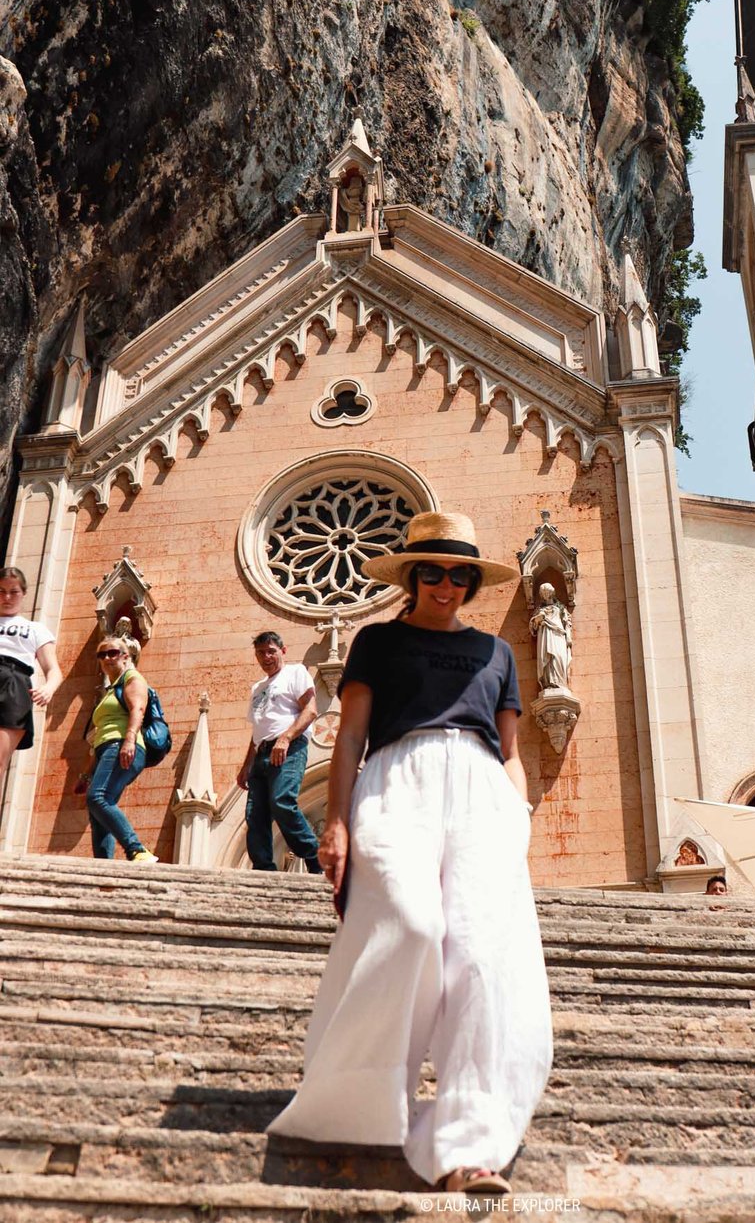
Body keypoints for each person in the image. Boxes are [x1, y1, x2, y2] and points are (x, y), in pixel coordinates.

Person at [267, 511, 552, 1196]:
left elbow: (510, 753)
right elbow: (351, 737)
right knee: (411, 923)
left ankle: (469, 1149)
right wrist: (334, 823)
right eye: (433, 571)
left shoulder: (497, 654)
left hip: (485, 794)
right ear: (412, 575)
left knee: (482, 957)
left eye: (461, 574)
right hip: (397, 780)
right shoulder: (377, 642)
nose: (447, 585)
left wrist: (521, 817)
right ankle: (358, 1101)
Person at [237, 632, 322, 874]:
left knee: (282, 801)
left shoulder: (295, 673)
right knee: (256, 816)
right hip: (262, 753)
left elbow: (310, 710)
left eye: (271, 651)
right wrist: (246, 765)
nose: (266, 657)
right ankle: (264, 869)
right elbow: (259, 731)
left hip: (288, 748)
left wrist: (285, 739)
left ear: (282, 651)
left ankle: (316, 858)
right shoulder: (258, 687)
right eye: (261, 653)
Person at [85, 635, 157, 861]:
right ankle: (104, 869)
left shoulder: (132, 678)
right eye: (102, 654)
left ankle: (136, 849)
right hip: (106, 749)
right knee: (99, 811)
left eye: (113, 653)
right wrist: (86, 773)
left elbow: (138, 709)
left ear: (126, 657)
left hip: (121, 745)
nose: (107, 657)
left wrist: (129, 739)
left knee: (97, 797)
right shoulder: (112, 687)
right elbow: (98, 736)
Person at [0, 567, 63, 779]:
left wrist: (48, 688)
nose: (7, 597)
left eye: (14, 591)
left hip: (14, 684)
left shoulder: (35, 629)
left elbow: (53, 669)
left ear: (23, 593)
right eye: (1, 591)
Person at [529, 582, 572, 690]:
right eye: (543, 593)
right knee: (546, 658)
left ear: (551, 592)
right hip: (545, 635)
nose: (545, 595)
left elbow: (567, 623)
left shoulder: (561, 608)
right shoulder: (539, 609)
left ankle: (560, 681)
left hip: (558, 635)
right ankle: (548, 682)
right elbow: (533, 626)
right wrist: (537, 620)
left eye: (547, 592)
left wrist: (569, 637)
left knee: (558, 656)